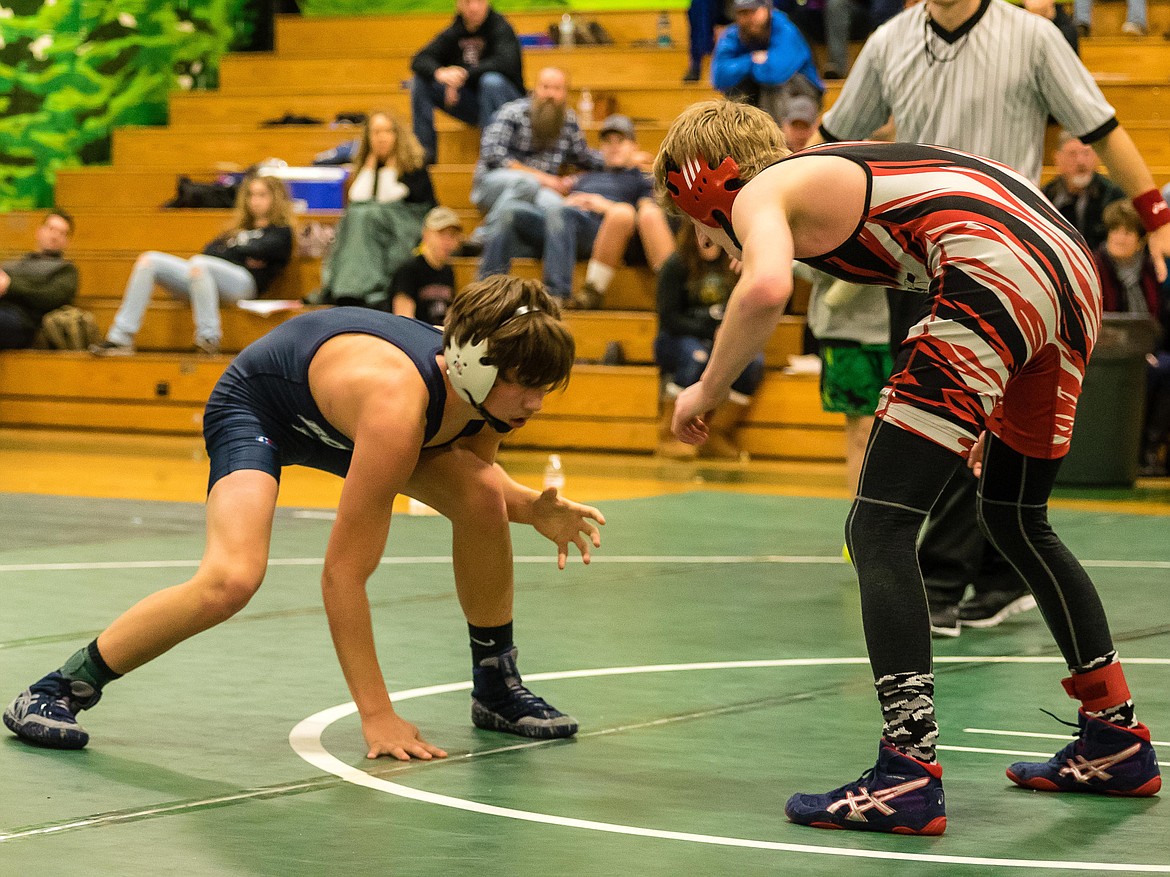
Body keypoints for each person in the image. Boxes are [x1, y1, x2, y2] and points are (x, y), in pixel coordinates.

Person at [655, 99, 1162, 835]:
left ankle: (908, 770)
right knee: (1017, 518)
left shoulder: (767, 187)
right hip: (1067, 271)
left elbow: (764, 288)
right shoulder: (840, 172)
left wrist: (704, 388)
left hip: (994, 268)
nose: (716, 244)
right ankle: (1116, 736)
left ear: (706, 188)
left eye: (705, 227)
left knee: (880, 526)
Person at [4, 275, 606, 758]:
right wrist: (377, 716)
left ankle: (497, 687)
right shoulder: (398, 407)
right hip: (261, 406)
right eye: (526, 385)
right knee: (231, 579)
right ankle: (57, 688)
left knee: (481, 499)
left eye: (546, 387)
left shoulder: (481, 399)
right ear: (476, 365)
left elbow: (478, 480)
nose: (535, 403)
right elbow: (342, 574)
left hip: (343, 415)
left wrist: (530, 508)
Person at [814, 0, 1170, 635]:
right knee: (949, 420)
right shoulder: (891, 40)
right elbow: (833, 142)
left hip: (1008, 264)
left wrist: (1156, 213)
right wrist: (769, 209)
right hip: (918, 259)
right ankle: (1001, 577)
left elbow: (1101, 126)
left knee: (954, 419)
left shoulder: (1032, 36)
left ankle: (944, 580)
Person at [477, 114, 674, 309]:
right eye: (607, 141)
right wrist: (567, 200)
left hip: (598, 229)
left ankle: (556, 295)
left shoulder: (640, 178)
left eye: (620, 141)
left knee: (560, 213)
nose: (613, 146)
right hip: (562, 223)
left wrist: (602, 205)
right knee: (510, 212)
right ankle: (486, 290)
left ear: (634, 146)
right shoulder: (587, 175)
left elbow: (645, 213)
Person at [91, 175, 294, 356]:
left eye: (262, 195)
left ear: (275, 198)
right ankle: (120, 337)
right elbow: (209, 251)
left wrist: (232, 252)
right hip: (206, 280)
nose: (255, 201)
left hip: (245, 286)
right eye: (251, 195)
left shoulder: (281, 232)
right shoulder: (236, 229)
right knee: (149, 261)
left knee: (199, 264)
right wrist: (242, 252)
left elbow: (265, 250)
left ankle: (208, 337)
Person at [655, 225, 763, 460]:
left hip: (719, 336)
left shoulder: (732, 262)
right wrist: (708, 330)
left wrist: (726, 332)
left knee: (752, 362)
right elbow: (669, 318)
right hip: (678, 337)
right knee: (695, 357)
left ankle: (717, 434)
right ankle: (669, 435)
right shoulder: (675, 264)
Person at [469, 66, 604, 250]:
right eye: (545, 87)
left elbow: (585, 157)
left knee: (558, 208)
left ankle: (526, 254)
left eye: (557, 89)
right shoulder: (512, 112)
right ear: (535, 89)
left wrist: (625, 158)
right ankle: (484, 236)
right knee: (527, 184)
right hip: (493, 184)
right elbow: (493, 155)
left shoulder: (568, 121)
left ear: (565, 93)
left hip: (539, 192)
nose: (550, 94)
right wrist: (545, 179)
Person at [319, 112, 436, 309]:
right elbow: (357, 198)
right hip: (374, 224)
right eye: (375, 132)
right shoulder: (367, 165)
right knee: (354, 215)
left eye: (387, 132)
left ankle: (365, 288)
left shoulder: (414, 165)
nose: (381, 138)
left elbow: (390, 199)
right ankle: (348, 287)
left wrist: (389, 172)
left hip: (408, 224)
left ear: (397, 135)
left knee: (367, 215)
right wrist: (369, 169)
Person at [1092, 200, 1170, 476]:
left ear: (1139, 239)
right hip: (1104, 350)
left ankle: (1149, 450)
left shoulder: (1153, 268)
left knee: (1165, 369)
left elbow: (1160, 316)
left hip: (1147, 347)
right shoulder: (1095, 265)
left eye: (1127, 232)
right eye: (1115, 231)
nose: (1120, 238)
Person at [410, 0, 525, 166]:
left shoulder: (501, 27)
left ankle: (492, 156)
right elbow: (419, 60)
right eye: (467, 2)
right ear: (458, 5)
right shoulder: (455, 31)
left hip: (508, 105)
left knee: (491, 81)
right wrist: (441, 73)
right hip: (473, 104)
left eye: (479, 1)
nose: (473, 7)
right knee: (421, 81)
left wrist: (462, 75)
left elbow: (506, 62)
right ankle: (424, 156)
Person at [711, 0, 823, 126]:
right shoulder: (733, 34)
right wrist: (752, 60)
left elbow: (775, 74)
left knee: (773, 89)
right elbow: (719, 78)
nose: (748, 18)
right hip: (758, 95)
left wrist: (743, 66)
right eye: (743, 13)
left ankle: (777, 140)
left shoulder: (785, 29)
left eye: (753, 11)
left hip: (800, 93)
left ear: (767, 9)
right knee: (734, 100)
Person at [0, 211, 78, 350]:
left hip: (26, 324)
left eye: (62, 233)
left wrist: (10, 285)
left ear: (67, 242)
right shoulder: (12, 265)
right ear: (39, 231)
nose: (54, 235)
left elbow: (49, 297)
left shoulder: (66, 270)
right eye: (51, 229)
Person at [1042, 131, 1126, 253]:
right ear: (1057, 159)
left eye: (1086, 153)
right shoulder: (1045, 197)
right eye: (1072, 154)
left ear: (1097, 157)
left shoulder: (1114, 195)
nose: (1080, 161)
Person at [389, 206, 463, 326]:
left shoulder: (448, 271)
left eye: (452, 235)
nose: (447, 241)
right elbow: (404, 321)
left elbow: (450, 316)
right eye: (441, 234)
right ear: (426, 234)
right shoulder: (409, 270)